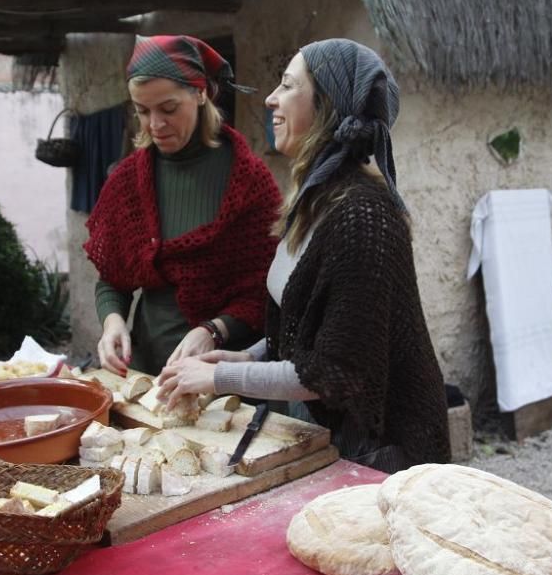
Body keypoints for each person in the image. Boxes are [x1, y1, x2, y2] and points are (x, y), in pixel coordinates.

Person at [158, 39, 451, 471]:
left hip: (378, 448)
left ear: (325, 105)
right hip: (326, 431)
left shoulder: (364, 217)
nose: (271, 99)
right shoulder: (317, 201)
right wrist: (249, 356)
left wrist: (219, 378)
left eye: (288, 86)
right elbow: (308, 330)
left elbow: (335, 371)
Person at [84, 35, 281, 377]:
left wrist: (214, 330)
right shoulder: (127, 183)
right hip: (148, 374)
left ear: (201, 92)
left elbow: (267, 291)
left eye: (169, 109)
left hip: (226, 381)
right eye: (142, 111)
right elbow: (112, 280)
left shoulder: (249, 182)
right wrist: (112, 321)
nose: (155, 125)